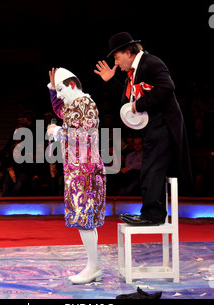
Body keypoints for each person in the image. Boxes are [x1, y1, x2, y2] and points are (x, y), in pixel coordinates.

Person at [94, 32, 191, 225]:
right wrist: (111, 82)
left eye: (116, 57)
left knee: (152, 170)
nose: (116, 62)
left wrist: (139, 105)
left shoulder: (151, 63)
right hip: (152, 129)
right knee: (149, 170)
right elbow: (126, 101)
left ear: (128, 52)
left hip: (164, 126)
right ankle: (151, 213)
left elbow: (166, 87)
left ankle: (152, 215)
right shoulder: (134, 72)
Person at [47, 67, 106, 284]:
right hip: (80, 170)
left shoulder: (85, 104)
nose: (60, 96)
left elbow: (83, 135)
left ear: (73, 85)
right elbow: (59, 109)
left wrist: (57, 132)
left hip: (85, 172)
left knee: (84, 220)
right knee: (86, 221)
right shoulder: (75, 106)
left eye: (62, 89)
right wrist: (53, 89)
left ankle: (93, 268)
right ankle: (94, 267)